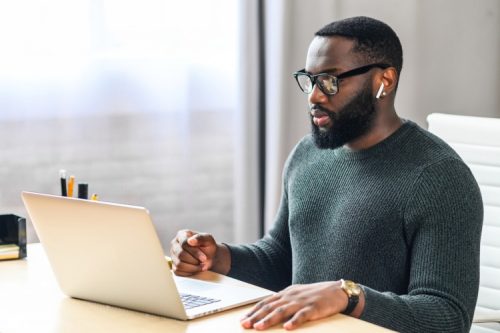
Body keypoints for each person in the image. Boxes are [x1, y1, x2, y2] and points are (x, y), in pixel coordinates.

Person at [170, 16, 483, 332]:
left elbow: (447, 318)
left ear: (384, 81)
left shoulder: (439, 178)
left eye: (330, 81)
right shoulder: (307, 155)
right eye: (310, 79)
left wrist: (348, 296)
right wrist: (215, 257)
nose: (314, 97)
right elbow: (280, 261)